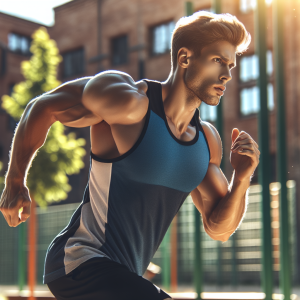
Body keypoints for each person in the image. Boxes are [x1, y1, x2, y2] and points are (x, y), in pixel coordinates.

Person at [0, 11, 259, 300]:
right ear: (185, 58)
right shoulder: (130, 103)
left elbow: (218, 228)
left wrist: (242, 178)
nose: (227, 74)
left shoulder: (206, 142)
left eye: (231, 65)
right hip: (80, 260)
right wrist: (14, 180)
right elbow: (44, 106)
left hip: (124, 276)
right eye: (218, 61)